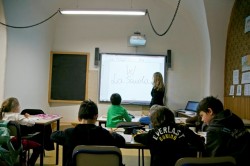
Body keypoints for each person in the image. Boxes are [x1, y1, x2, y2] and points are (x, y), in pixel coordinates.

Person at [50, 99, 125, 166]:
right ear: (96, 116)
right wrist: (111, 133)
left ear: (79, 117)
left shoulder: (69, 133)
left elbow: (53, 136)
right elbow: (122, 141)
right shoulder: (104, 134)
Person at [133, 105, 205, 166]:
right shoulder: (183, 129)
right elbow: (199, 142)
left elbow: (137, 137)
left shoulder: (152, 133)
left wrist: (135, 131)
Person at [197, 96, 250, 166]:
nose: (202, 119)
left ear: (210, 111)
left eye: (202, 115)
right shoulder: (234, 117)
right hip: (244, 159)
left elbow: (213, 160)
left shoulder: (213, 130)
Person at [0, 97, 42, 166]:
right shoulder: (16, 116)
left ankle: (22, 160)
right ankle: (30, 163)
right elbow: (31, 123)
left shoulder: (1, 115)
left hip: (2, 141)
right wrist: (29, 117)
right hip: (14, 141)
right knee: (39, 146)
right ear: (15, 108)